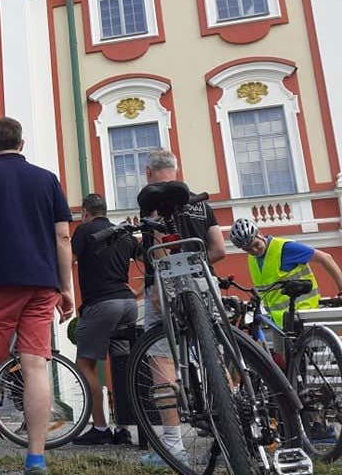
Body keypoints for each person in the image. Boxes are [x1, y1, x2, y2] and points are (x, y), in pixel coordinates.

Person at [0, 117, 75, 475]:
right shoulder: (47, 179)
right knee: (36, 365)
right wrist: (66, 288)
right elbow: (63, 237)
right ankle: (36, 459)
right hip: (42, 284)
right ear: (22, 143)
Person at [139, 149, 225, 467]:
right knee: (215, 353)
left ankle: (173, 446)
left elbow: (159, 246)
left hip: (166, 284)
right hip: (204, 282)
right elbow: (218, 249)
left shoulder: (151, 201)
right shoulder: (200, 201)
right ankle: (235, 433)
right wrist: (193, 265)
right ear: (176, 169)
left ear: (149, 172)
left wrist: (165, 283)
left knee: (161, 358)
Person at [70, 194, 139, 447]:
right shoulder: (123, 233)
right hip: (128, 305)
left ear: (86, 212)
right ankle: (124, 428)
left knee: (85, 364)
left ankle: (100, 428)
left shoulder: (84, 230)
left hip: (100, 305)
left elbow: (68, 261)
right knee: (122, 365)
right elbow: (146, 259)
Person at [230, 218, 341, 328]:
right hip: (279, 321)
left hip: (302, 314)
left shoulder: (285, 248)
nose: (254, 250)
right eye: (248, 249)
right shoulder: (252, 259)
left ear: (259, 234)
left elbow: (326, 258)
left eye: (256, 244)